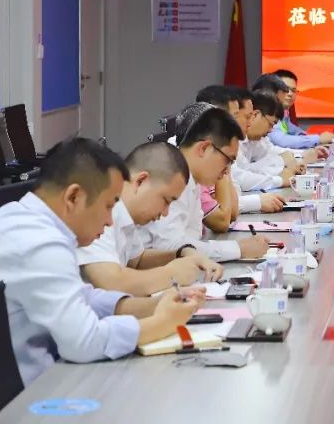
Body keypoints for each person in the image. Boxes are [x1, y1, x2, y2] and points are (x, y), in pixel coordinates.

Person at [0, 138, 203, 402]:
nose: (110, 221)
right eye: (108, 206)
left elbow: (80, 297)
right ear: (73, 197)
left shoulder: (26, 220)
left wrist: (152, 307)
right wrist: (161, 323)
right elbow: (84, 342)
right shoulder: (38, 241)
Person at [78, 141, 225, 296]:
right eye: (166, 200)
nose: (166, 212)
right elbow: (112, 283)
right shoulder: (100, 211)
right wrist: (171, 275)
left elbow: (137, 261)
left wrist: (182, 253)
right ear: (140, 181)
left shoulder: (126, 215)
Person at [142, 103, 270, 261]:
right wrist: (239, 249)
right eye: (228, 160)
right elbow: (171, 246)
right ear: (204, 148)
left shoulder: (191, 178)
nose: (227, 171)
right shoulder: (171, 175)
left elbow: (191, 239)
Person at [230, 89, 289, 213]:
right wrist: (280, 179)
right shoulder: (225, 140)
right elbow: (240, 177)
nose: (250, 121)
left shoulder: (250, 138)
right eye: (248, 116)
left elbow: (272, 157)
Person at [260, 71, 334, 150]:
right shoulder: (266, 112)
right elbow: (282, 140)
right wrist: (318, 139)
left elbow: (293, 130)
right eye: (285, 89)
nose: (290, 94)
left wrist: (312, 137)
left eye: (293, 90)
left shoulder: (284, 111)